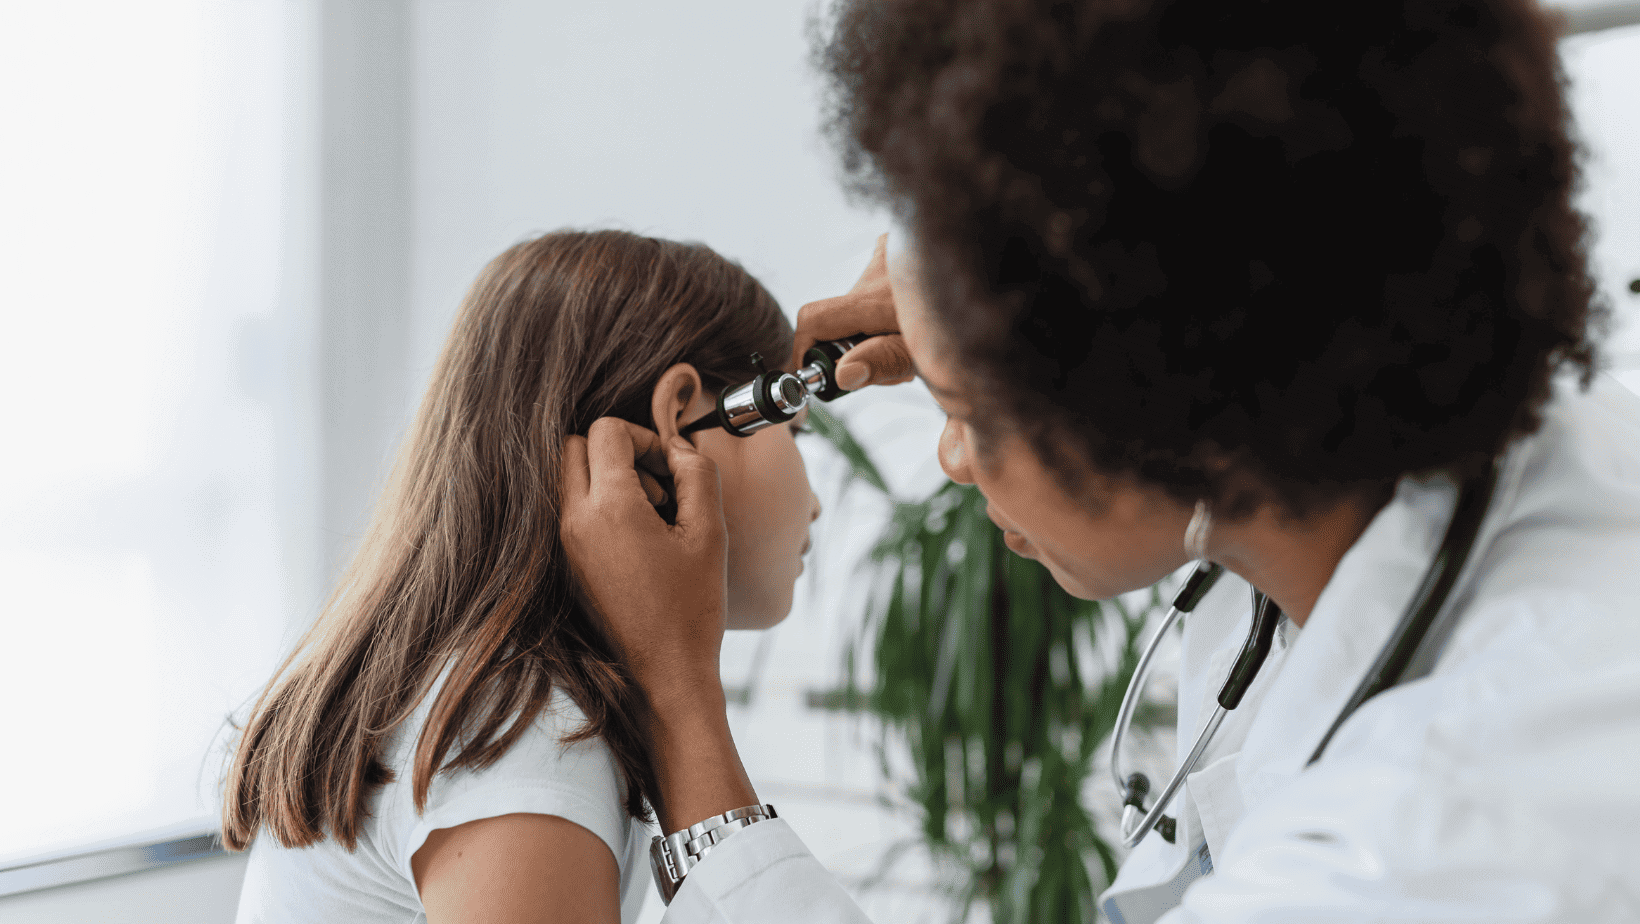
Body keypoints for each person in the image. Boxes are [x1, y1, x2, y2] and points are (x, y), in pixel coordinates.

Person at [560, 0, 1640, 921]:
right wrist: (987, 293)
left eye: (962, 410)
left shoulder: (1429, 845)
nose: (951, 462)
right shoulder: (1482, 424)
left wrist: (679, 706)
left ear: (1155, 385)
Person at [221, 228, 821, 923]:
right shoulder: (520, 727)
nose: (815, 499)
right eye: (799, 432)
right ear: (680, 418)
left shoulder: (487, 693)